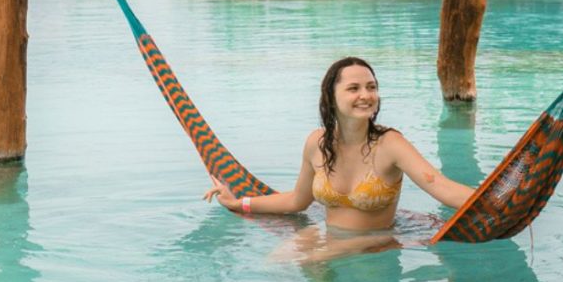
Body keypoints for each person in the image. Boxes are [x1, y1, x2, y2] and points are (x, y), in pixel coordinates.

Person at [206, 55, 480, 249]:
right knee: (278, 265)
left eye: (371, 87)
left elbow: (443, 188)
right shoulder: (317, 143)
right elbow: (296, 202)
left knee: (302, 264)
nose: (366, 95)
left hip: (376, 242)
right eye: (354, 88)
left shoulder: (390, 144)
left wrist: (500, 201)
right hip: (328, 237)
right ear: (331, 97)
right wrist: (239, 203)